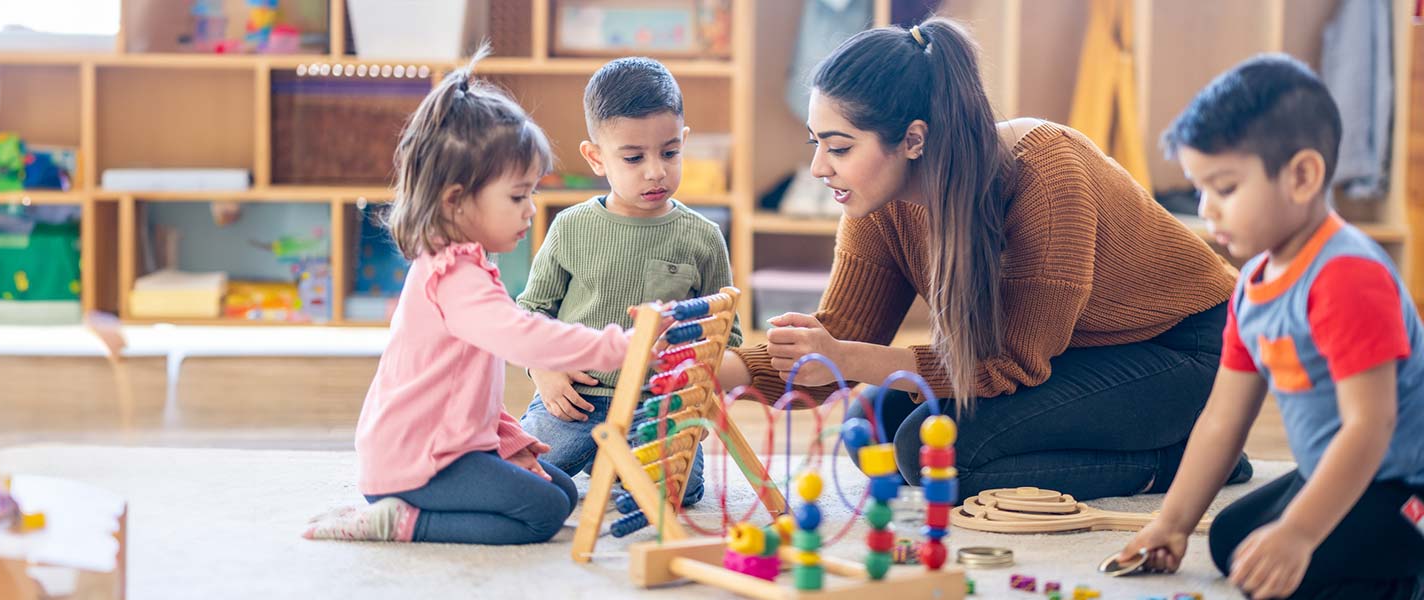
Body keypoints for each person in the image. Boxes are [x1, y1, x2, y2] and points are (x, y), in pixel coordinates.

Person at [717, 18, 1249, 501]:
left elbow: (1008, 363)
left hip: (1190, 350)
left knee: (938, 459)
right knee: (872, 428)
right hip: (1077, 350)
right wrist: (722, 371)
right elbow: (838, 337)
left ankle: (1183, 461)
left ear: (913, 139)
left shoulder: (1046, 177)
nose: (816, 168)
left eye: (839, 148)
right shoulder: (879, 203)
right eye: (816, 143)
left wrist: (845, 357)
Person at [1114, 54, 1424, 600]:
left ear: (1302, 176)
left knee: (1295, 569)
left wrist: (1300, 533)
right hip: (1336, 471)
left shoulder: (1347, 276)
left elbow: (1368, 428)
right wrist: (1173, 522)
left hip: (1401, 485)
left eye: (1226, 188)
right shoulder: (1255, 281)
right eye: (1200, 187)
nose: (1207, 209)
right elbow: (1221, 419)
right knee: (1236, 543)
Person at [303, 49, 639, 545]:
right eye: (517, 196)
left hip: (448, 446)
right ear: (456, 201)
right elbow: (524, 339)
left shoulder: (467, 261)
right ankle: (400, 522)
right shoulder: (454, 277)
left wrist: (509, 440)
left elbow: (463, 386)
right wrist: (620, 347)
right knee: (543, 513)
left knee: (564, 492)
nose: (530, 211)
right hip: (417, 463)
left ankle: (420, 505)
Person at [517, 57, 739, 507]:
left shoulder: (704, 237)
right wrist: (543, 369)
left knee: (677, 492)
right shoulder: (570, 227)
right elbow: (530, 313)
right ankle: (603, 457)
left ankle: (614, 462)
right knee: (519, 475)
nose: (655, 171)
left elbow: (727, 335)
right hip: (575, 399)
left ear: (684, 143)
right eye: (634, 157)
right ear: (596, 157)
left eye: (670, 152)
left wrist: (688, 384)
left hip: (657, 407)